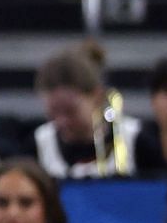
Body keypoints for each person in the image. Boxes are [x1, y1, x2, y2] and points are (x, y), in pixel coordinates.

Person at [34, 42, 151, 178]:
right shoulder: (39, 145)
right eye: (53, 112)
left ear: (97, 97)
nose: (62, 121)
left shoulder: (135, 140)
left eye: (70, 112)